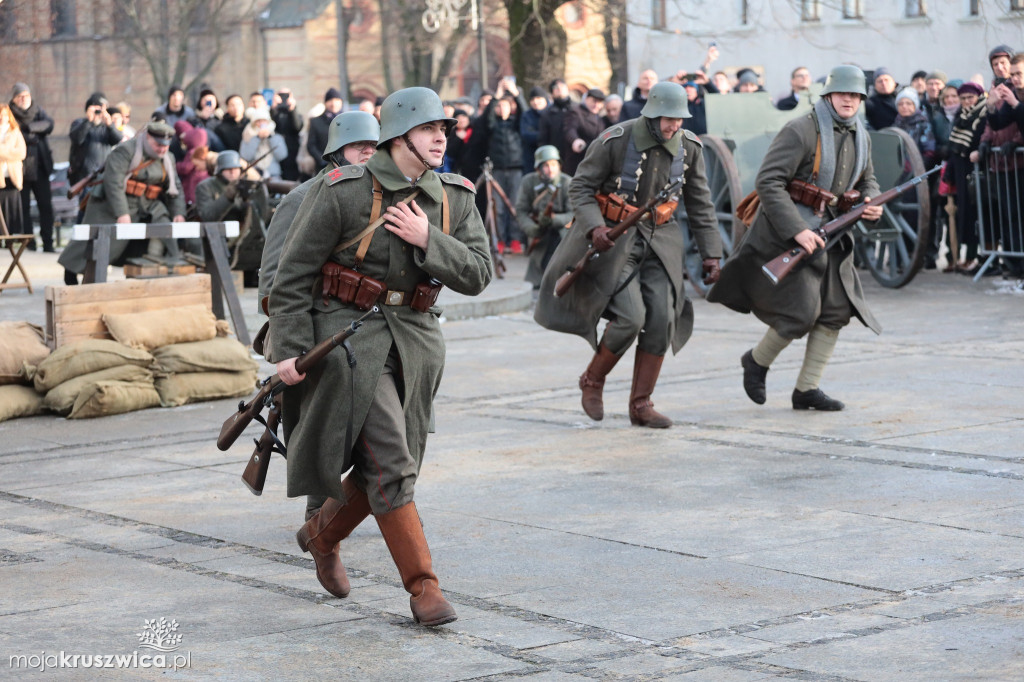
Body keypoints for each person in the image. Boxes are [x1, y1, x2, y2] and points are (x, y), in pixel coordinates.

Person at [267, 86, 491, 627]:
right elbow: (292, 274)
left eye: (444, 129)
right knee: (392, 463)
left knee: (392, 470)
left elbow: (479, 272)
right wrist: (290, 350)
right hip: (348, 341)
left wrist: (428, 237)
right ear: (397, 137)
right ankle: (424, 589)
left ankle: (321, 535)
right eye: (428, 130)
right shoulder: (344, 191)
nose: (441, 137)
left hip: (416, 343)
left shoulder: (454, 196)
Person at [534, 81, 723, 428]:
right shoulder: (616, 139)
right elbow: (581, 186)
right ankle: (593, 379)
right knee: (630, 317)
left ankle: (641, 405)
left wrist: (712, 254)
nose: (674, 126)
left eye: (680, 119)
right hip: (614, 240)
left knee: (662, 319)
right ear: (652, 114)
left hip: (662, 241)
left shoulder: (690, 148)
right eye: (668, 119)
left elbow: (701, 204)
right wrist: (594, 228)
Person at [707, 65, 883, 411]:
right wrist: (797, 230)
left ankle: (806, 389)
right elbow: (769, 181)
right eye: (843, 94)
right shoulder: (801, 129)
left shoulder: (860, 134)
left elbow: (869, 180)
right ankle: (756, 362)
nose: (849, 100)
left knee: (836, 310)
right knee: (800, 312)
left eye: (855, 95)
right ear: (829, 95)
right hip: (788, 233)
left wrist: (870, 202)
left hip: (832, 232)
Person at [258, 111, 380, 521]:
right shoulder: (302, 199)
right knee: (317, 429)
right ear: (335, 150)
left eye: (374, 146)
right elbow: (273, 281)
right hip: (310, 328)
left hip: (359, 327)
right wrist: (293, 339)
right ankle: (318, 515)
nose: (368, 152)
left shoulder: (377, 196)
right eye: (359, 145)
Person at [58, 122, 186, 285]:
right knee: (96, 244)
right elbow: (113, 183)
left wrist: (179, 213)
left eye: (166, 146)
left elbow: (175, 188)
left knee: (164, 229)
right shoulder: (126, 151)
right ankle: (71, 271)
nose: (162, 149)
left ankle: (165, 274)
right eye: (158, 145)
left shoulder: (168, 159)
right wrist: (122, 213)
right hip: (110, 205)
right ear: (148, 138)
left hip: (147, 205)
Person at [194, 149, 270, 283]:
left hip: (244, 236)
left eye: (235, 168)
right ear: (219, 170)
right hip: (219, 238)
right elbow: (208, 215)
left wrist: (248, 198)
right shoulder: (205, 187)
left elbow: (260, 212)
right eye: (228, 169)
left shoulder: (246, 185)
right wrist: (227, 197)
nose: (232, 172)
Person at [943, 81, 988, 272]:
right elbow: (953, 147)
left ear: (978, 97)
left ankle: (976, 257)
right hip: (961, 171)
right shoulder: (960, 116)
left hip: (978, 169)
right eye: (963, 98)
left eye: (970, 97)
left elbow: (980, 140)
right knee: (964, 215)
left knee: (979, 214)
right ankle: (961, 257)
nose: (967, 101)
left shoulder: (983, 114)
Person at [479, 78, 527, 253]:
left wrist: (515, 93)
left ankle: (515, 240)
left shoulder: (516, 124)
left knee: (514, 205)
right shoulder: (492, 126)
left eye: (505, 106)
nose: (502, 109)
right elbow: (486, 118)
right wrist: (496, 96)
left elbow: (525, 112)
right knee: (498, 208)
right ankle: (499, 240)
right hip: (497, 170)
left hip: (516, 168)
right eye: (499, 106)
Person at [516, 145, 573, 289]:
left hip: (562, 233)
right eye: (546, 165)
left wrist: (554, 219)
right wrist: (532, 229)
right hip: (540, 233)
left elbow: (574, 213)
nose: (551, 169)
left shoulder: (567, 183)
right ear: (538, 168)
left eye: (554, 164)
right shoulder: (529, 182)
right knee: (538, 277)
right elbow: (521, 210)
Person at [9, 82, 55, 252]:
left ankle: (48, 242)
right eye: (20, 96)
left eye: (26, 95)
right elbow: (11, 134)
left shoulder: (38, 111)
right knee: (23, 209)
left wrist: (29, 129)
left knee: (46, 207)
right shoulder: (8, 114)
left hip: (40, 167)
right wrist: (33, 135)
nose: (23, 99)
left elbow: (49, 124)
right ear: (14, 99)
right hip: (19, 170)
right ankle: (29, 243)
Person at [68, 93, 123, 187]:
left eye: (100, 110)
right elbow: (77, 139)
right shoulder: (79, 123)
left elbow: (117, 139)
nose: (98, 113)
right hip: (83, 176)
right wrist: (89, 121)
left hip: (104, 174)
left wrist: (110, 125)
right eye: (95, 109)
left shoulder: (106, 126)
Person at [562, 88, 605, 175]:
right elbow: (570, 129)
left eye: (599, 102)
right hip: (578, 163)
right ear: (586, 99)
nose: (596, 105)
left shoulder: (600, 119)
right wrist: (575, 140)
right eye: (594, 101)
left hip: (594, 163)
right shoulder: (576, 112)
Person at [0, 103, 27, 240]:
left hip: (12, 176)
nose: (1, 118)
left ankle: (12, 237)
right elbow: (13, 153)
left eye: (4, 115)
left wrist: (2, 152)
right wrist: (9, 152)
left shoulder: (15, 131)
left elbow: (21, 153)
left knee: (12, 208)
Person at [239, 108, 288, 180]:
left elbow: (282, 155)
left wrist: (270, 138)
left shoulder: (276, 137)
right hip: (254, 175)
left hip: (273, 175)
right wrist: (257, 138)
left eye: (264, 121)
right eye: (258, 121)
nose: (261, 123)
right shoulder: (247, 136)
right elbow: (246, 156)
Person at [307, 88, 344, 173]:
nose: (333, 103)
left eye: (337, 100)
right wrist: (322, 160)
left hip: (344, 166)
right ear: (325, 103)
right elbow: (311, 145)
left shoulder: (347, 120)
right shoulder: (316, 122)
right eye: (330, 100)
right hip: (323, 168)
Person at [537, 79, 573, 162]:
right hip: (554, 157)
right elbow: (543, 139)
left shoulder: (577, 110)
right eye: (556, 87)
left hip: (574, 157)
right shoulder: (547, 113)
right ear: (552, 93)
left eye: (562, 86)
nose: (559, 89)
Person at [271, 88, 303, 181]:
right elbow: (273, 126)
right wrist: (273, 107)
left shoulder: (295, 114)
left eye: (287, 95)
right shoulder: (275, 113)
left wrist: (292, 108)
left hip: (292, 154)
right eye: (281, 95)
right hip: (277, 153)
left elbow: (297, 127)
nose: (284, 98)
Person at [519, 86, 548, 173]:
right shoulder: (526, 115)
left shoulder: (552, 113)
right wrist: (544, 135)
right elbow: (526, 135)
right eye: (532, 99)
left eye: (538, 98)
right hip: (531, 158)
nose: (535, 102)